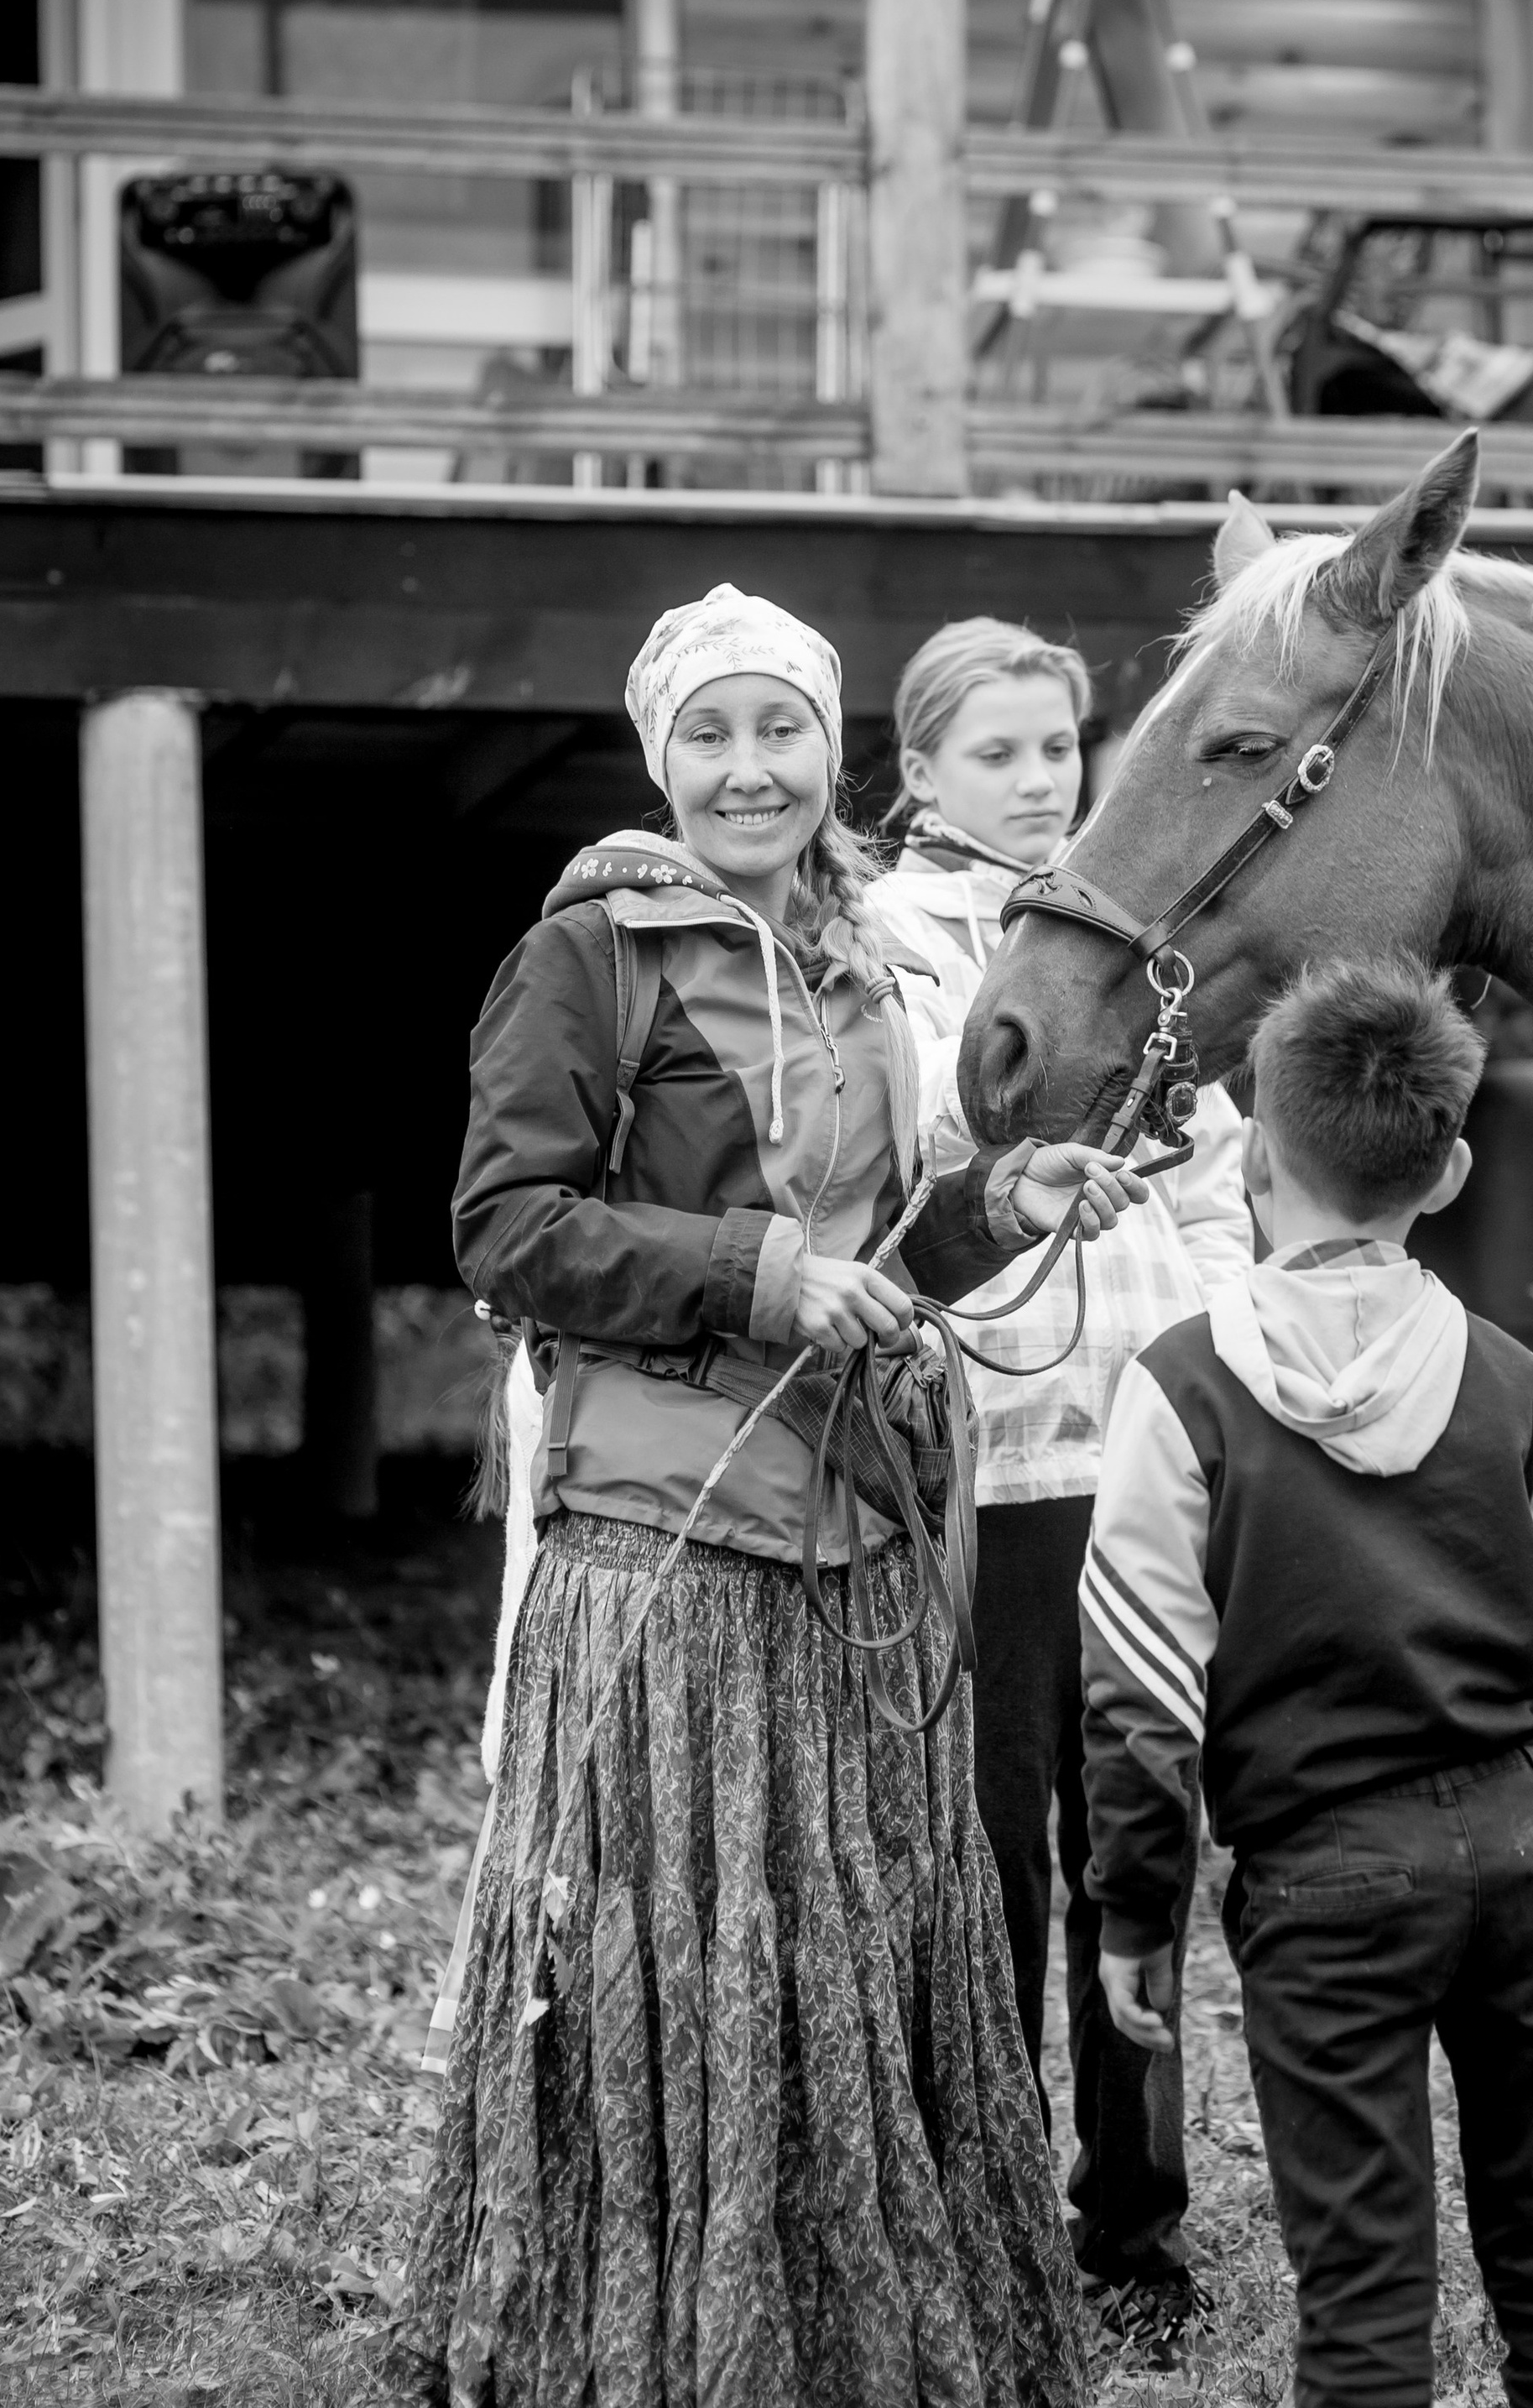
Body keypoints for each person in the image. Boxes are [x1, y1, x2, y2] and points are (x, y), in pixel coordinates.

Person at [406, 583, 1151, 2408]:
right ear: (664, 762)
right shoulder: (591, 951)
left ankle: (841, 2322)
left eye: (780, 730)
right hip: (667, 1543)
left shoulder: (866, 965)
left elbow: (891, 1244)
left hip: (864, 1543)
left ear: (836, 753)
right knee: (682, 1951)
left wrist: (1003, 1204)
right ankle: (645, 2332)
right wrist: (755, 1273)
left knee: (850, 1937)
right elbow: (505, 1230)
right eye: (710, 738)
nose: (749, 769)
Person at [1082, 957, 1533, 2408]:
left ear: (1254, 1152)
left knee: (1364, 2287)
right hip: (1531, 1848)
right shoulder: (1518, 1379)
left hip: (1323, 1873)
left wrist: (1137, 1911)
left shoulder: (1180, 1386)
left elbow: (1141, 1693)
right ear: (1450, 1169)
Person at [865, 619, 1254, 2354]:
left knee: (1135, 1848)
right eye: (1000, 753)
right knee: (988, 1859)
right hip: (987, 1461)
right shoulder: (880, 947)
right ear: (919, 767)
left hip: (1145, 1457)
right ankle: (988, 2211)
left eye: (1057, 747)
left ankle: (1136, 2235)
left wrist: (1221, 1355)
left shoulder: (1146, 938)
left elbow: (1230, 1180)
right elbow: (894, 1175)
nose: (1038, 783)